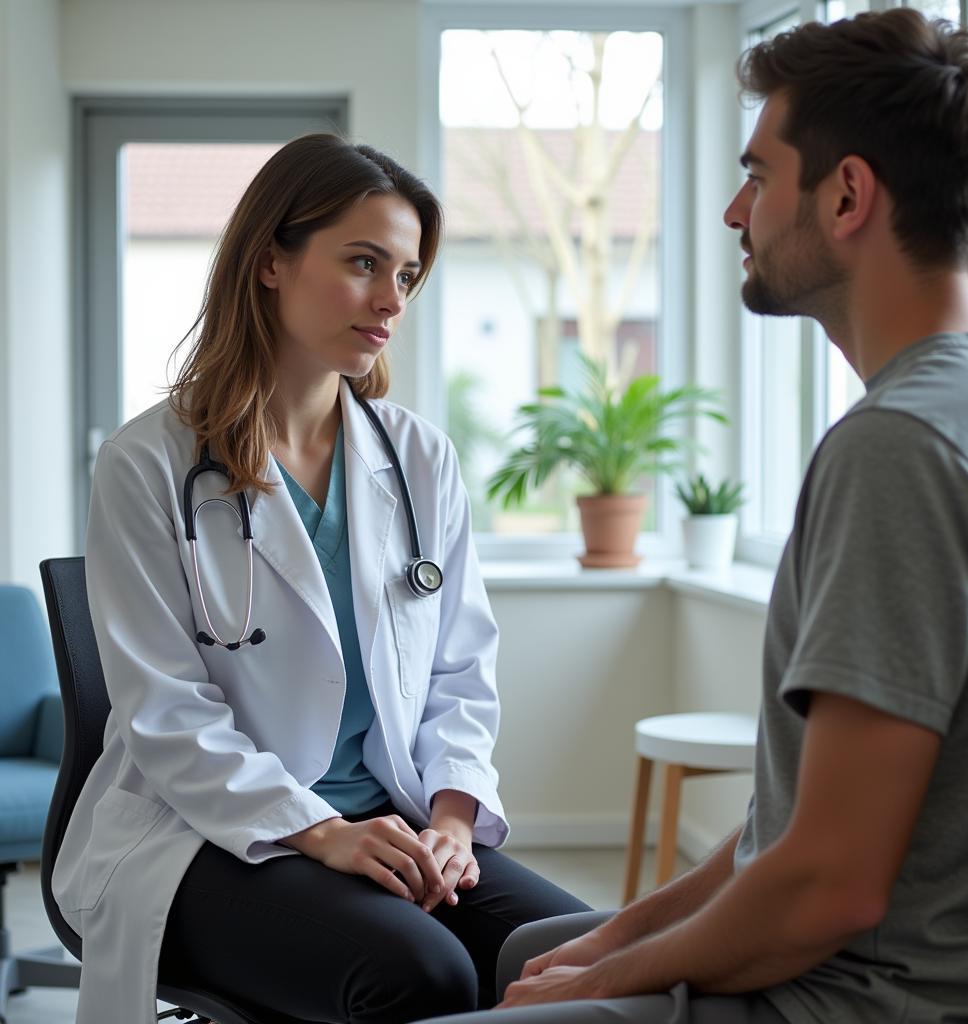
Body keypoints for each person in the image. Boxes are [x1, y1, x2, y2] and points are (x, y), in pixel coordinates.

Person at [417, 8, 968, 1023]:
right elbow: (775, 840)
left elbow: (829, 885)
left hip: (852, 998)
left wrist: (605, 978)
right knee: (534, 944)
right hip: (866, 957)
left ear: (845, 195)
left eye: (756, 174)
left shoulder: (901, 447)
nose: (736, 212)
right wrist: (612, 936)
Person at [54, 134, 589, 1024]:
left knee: (582, 961)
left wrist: (453, 824)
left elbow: (461, 673)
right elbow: (164, 711)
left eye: (408, 275)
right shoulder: (145, 464)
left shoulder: (418, 456)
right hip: (210, 836)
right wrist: (323, 832)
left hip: (396, 822)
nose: (391, 300)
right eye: (364, 263)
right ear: (271, 262)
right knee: (422, 975)